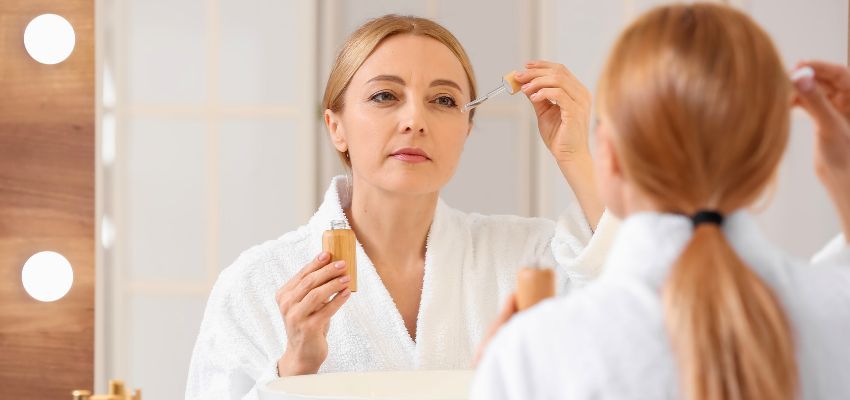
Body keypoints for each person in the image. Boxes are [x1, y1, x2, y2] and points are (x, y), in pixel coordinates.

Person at [186, 14, 618, 399]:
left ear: (467, 130)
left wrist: (575, 155)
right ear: (336, 127)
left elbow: (633, 306)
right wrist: (294, 368)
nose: (415, 120)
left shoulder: (529, 260)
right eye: (384, 96)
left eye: (444, 100)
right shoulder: (255, 284)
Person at [472, 3, 850, 399]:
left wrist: (499, 373)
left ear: (609, 155)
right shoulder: (838, 315)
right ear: (770, 161)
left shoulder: (535, 354)